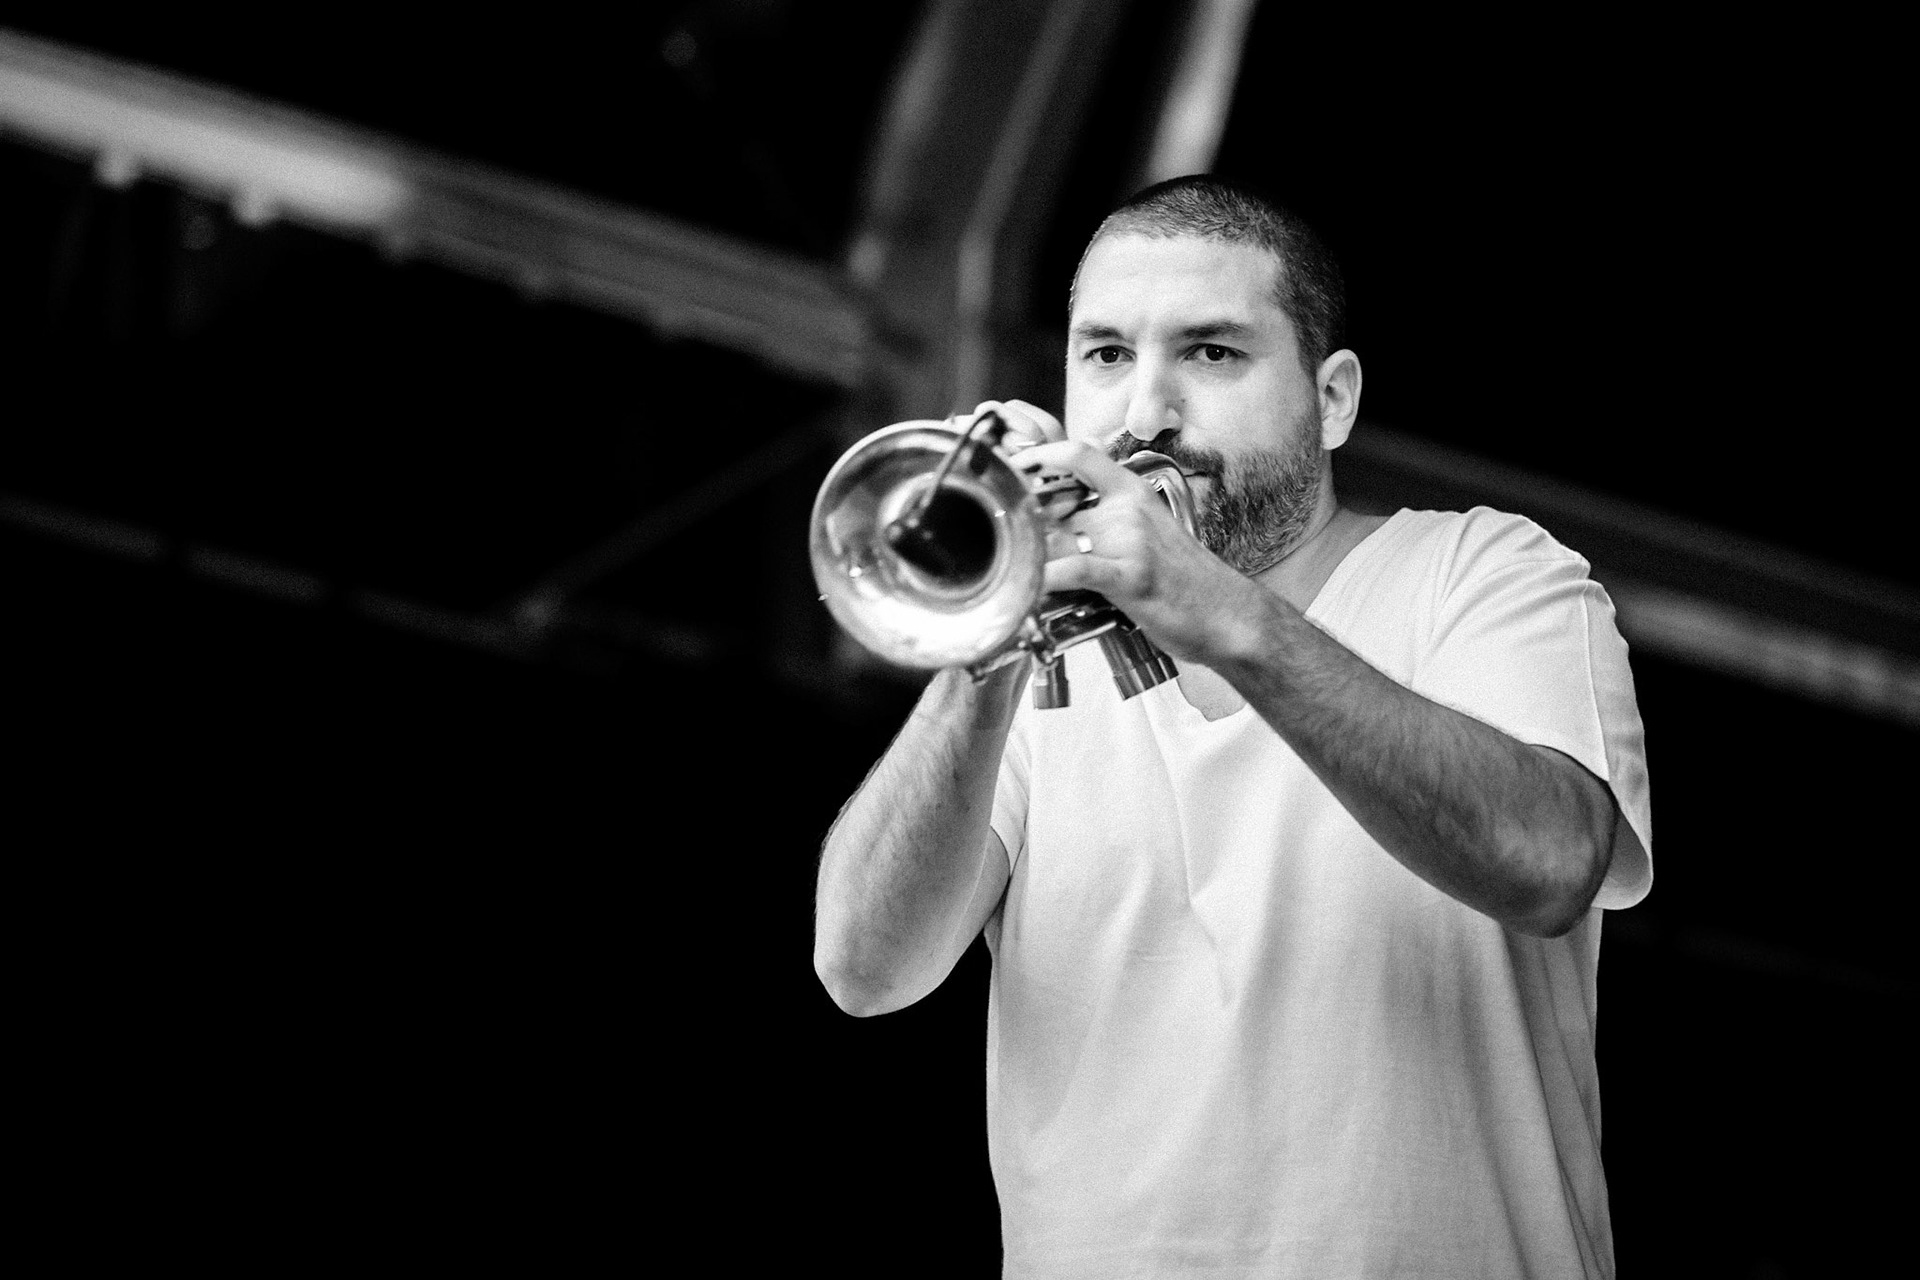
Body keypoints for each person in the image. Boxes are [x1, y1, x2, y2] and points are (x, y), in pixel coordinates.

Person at [813, 174, 1652, 1279]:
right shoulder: (1029, 667)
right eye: (1106, 354)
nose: (1143, 412)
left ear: (1333, 398)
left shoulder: (1484, 571)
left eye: (1211, 352)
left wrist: (1219, 611)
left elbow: (1550, 863)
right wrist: (993, 627)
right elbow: (865, 968)